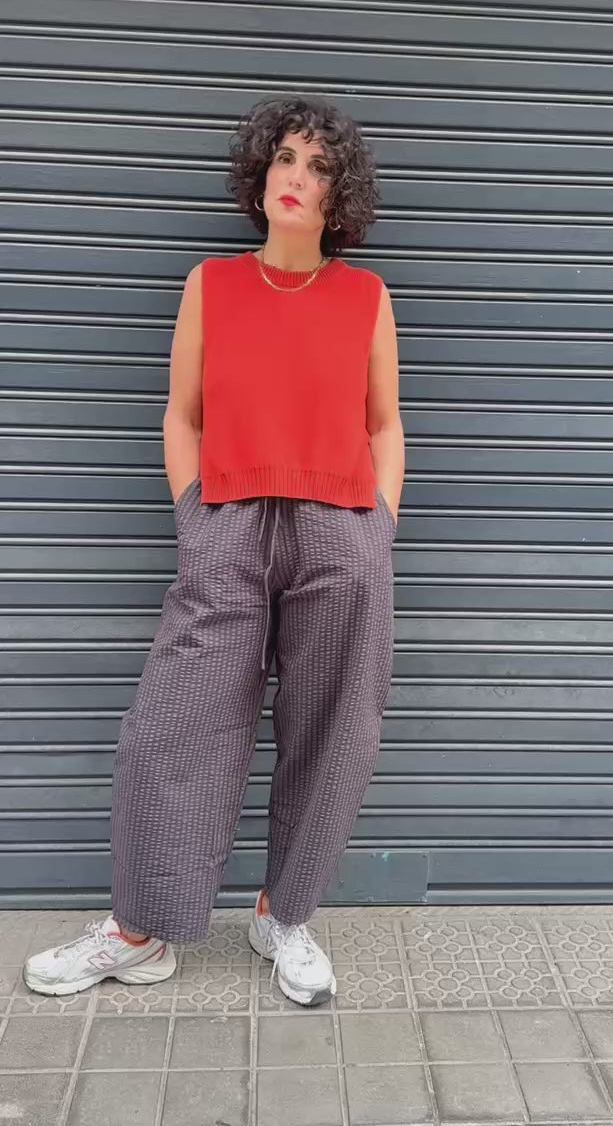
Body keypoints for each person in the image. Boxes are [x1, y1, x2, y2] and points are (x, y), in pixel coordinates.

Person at [23, 95, 404, 1008]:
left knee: (335, 729)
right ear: (259, 174)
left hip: (341, 528)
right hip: (227, 521)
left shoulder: (366, 297)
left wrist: (378, 529)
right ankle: (141, 931)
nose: (295, 178)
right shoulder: (212, 285)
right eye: (285, 159)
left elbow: (386, 424)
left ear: (339, 197)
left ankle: (285, 916)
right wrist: (196, 515)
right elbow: (181, 414)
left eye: (318, 167)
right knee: (172, 725)